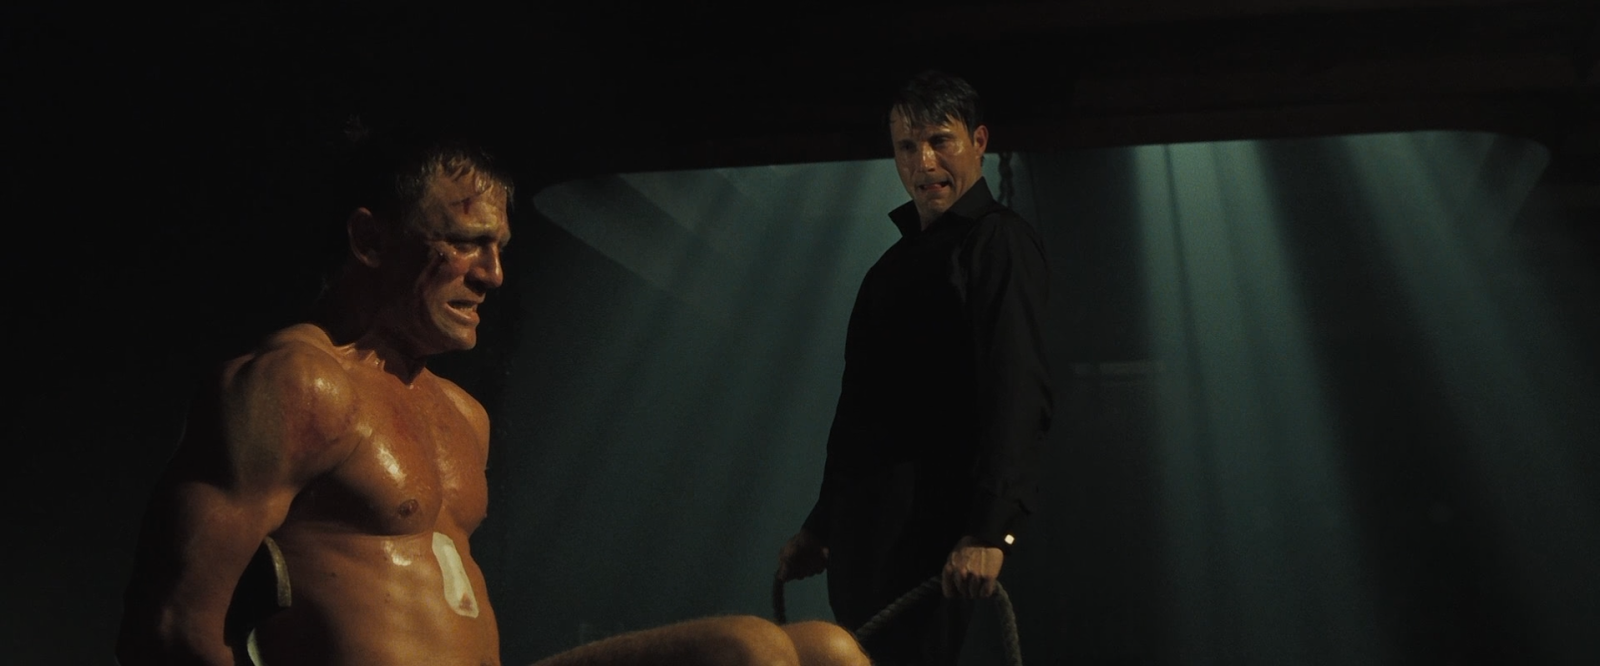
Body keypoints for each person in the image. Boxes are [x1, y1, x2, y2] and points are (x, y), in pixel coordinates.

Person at [116, 127, 870, 666]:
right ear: (371, 240)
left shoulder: (460, 415)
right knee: (752, 651)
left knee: (823, 650)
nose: (493, 274)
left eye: (499, 247)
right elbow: (172, 627)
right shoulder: (293, 384)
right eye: (466, 241)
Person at [775, 70, 1054, 666]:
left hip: (929, 535)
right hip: (865, 541)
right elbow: (859, 412)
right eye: (907, 146)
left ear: (979, 141)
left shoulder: (998, 242)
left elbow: (1017, 388)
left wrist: (989, 530)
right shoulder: (888, 268)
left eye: (939, 141)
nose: (923, 161)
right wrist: (822, 526)